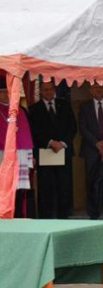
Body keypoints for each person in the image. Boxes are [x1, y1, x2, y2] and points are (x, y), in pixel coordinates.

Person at [29, 79, 77, 219]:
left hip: (63, 151)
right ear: (40, 91)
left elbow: (72, 127)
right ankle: (46, 217)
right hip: (45, 152)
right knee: (46, 188)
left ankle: (64, 216)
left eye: (50, 89)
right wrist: (50, 142)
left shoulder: (65, 105)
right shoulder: (34, 109)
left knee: (64, 186)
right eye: (45, 89)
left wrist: (62, 143)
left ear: (54, 90)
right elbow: (34, 131)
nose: (48, 92)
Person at [79, 81, 103, 220]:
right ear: (90, 90)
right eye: (95, 88)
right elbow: (83, 129)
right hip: (91, 150)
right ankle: (93, 214)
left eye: (101, 87)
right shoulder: (84, 107)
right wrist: (97, 144)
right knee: (92, 183)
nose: (98, 90)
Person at [0, 75, 35, 217]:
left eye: (7, 91)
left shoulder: (21, 111)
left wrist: (31, 157)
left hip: (21, 155)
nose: (5, 95)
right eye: (2, 92)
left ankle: (20, 215)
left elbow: (27, 134)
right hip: (2, 154)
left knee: (19, 189)